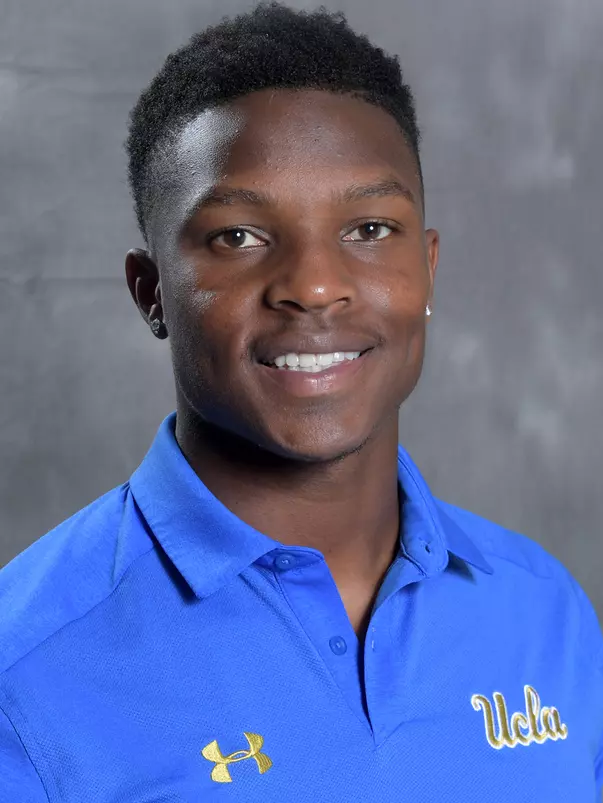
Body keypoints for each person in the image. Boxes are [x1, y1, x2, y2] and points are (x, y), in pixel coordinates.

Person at [1, 2, 601, 800]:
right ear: (150, 292)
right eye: (238, 237)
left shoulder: (543, 610)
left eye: (369, 228)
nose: (314, 285)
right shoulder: (25, 670)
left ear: (427, 270)